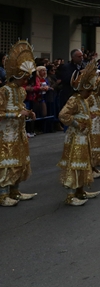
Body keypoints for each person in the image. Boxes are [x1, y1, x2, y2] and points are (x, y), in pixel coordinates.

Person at [58, 61, 100, 206]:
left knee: (83, 163)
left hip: (83, 138)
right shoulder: (74, 100)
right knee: (75, 164)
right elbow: (63, 115)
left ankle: (80, 191)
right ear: (81, 89)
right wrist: (77, 124)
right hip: (75, 138)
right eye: (88, 90)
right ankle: (71, 195)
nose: (90, 94)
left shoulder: (83, 100)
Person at [0, 41, 37, 206]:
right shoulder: (4, 90)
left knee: (19, 161)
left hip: (20, 132)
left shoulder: (21, 91)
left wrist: (28, 113)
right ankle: (2, 195)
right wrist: (16, 113)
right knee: (7, 163)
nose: (26, 81)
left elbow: (21, 107)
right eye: (24, 77)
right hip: (7, 133)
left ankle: (15, 191)